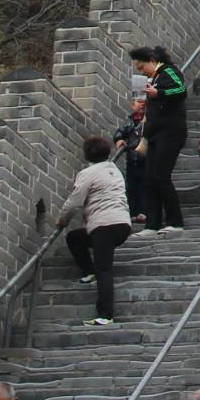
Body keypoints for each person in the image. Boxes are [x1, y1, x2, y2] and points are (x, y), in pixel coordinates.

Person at [57, 135, 131, 326]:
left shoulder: (87, 174)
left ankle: (106, 315)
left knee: (104, 270)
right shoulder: (114, 169)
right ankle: (88, 271)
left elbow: (74, 202)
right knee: (75, 238)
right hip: (122, 224)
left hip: (104, 226)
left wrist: (61, 221)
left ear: (86, 154)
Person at [127, 47, 187, 234]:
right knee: (150, 178)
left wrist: (158, 94)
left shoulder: (168, 71)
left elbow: (181, 89)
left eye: (141, 66)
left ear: (152, 60)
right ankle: (152, 224)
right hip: (155, 133)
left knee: (161, 175)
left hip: (170, 132)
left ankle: (175, 221)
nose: (141, 71)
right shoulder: (154, 79)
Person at [111, 92, 148, 223]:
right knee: (132, 187)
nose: (142, 104)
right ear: (133, 105)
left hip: (146, 159)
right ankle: (133, 212)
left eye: (144, 101)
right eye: (139, 101)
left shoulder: (150, 119)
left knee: (145, 186)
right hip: (132, 159)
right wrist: (119, 140)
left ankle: (144, 211)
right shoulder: (130, 121)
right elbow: (119, 132)